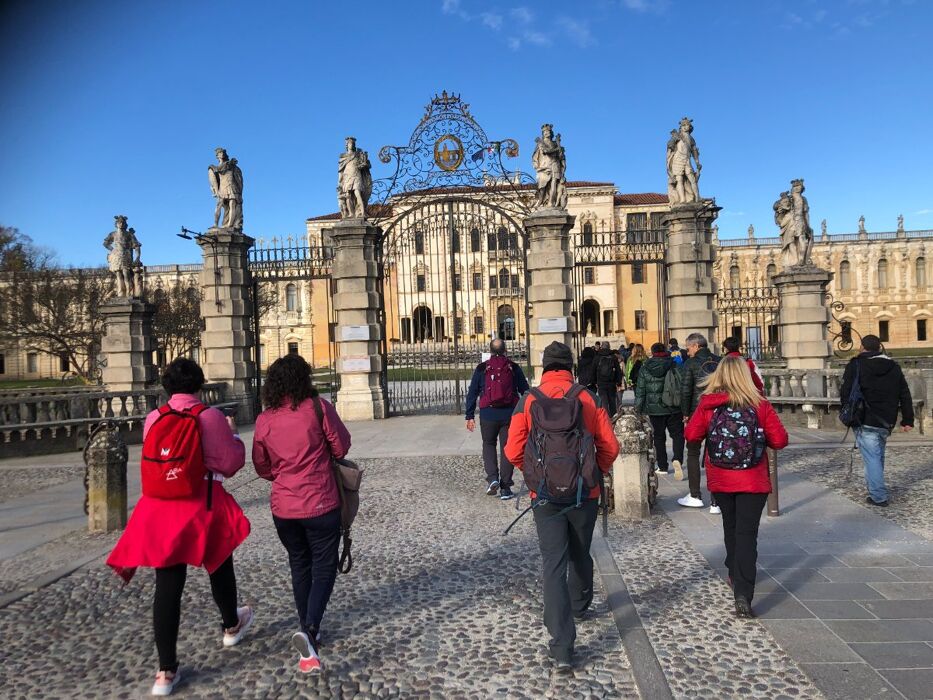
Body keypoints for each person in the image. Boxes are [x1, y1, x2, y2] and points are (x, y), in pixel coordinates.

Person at [107, 358, 252, 696]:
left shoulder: (154, 418)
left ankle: (165, 672)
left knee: (167, 586)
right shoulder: (209, 417)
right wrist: (232, 435)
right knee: (219, 565)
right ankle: (231, 625)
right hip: (201, 505)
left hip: (161, 510)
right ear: (199, 385)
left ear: (167, 387)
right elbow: (229, 464)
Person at [504, 341, 620, 671]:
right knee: (581, 550)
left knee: (553, 563)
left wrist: (536, 476)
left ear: (544, 366)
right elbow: (610, 445)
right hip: (585, 492)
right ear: (570, 367)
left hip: (544, 497)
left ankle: (561, 647)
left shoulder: (528, 400)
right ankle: (581, 603)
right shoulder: (587, 397)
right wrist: (596, 471)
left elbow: (512, 450)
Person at [252, 354, 352, 674]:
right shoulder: (318, 408)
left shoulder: (265, 419)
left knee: (299, 564)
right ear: (304, 379)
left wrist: (284, 477)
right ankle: (309, 629)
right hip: (320, 501)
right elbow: (342, 447)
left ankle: (308, 628)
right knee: (323, 566)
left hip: (284, 508)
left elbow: (261, 465)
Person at [685, 356, 788, 618]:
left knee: (730, 527)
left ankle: (733, 570)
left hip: (721, 478)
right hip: (753, 480)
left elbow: (691, 435)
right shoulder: (759, 404)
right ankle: (743, 593)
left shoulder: (708, 405)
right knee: (747, 534)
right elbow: (780, 440)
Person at [840, 335, 914, 507]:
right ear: (879, 347)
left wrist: (846, 410)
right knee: (877, 455)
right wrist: (907, 419)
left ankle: (878, 496)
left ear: (862, 347)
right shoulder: (894, 366)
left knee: (872, 457)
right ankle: (875, 488)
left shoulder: (856, 365)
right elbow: (905, 394)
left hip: (864, 418)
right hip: (886, 419)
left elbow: (845, 391)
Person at [465, 338, 530, 500]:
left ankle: (492, 478)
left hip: (488, 414)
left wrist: (469, 415)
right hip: (509, 414)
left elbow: (472, 392)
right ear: (506, 350)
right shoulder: (513, 368)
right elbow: (525, 391)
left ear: (490, 351)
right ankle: (506, 487)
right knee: (507, 448)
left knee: (488, 444)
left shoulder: (482, 368)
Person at [677, 332, 721, 512]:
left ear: (696, 346)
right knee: (715, 454)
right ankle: (716, 501)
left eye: (688, 348)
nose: (687, 352)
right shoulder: (720, 361)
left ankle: (695, 495)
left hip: (698, 412)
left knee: (693, 452)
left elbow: (686, 390)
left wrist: (685, 413)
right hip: (719, 411)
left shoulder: (691, 363)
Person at [635, 342, 685, 478]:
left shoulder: (645, 367)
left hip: (654, 409)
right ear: (665, 350)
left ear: (652, 352)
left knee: (658, 437)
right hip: (674, 407)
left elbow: (640, 390)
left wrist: (638, 409)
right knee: (678, 435)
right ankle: (677, 459)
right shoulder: (674, 364)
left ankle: (662, 465)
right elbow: (683, 384)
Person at [594, 342, 623, 417]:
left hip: (601, 382)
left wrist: (594, 381)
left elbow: (593, 370)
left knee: (603, 401)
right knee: (612, 401)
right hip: (611, 382)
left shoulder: (597, 357)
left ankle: (606, 417)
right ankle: (613, 417)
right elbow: (618, 370)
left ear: (601, 347)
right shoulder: (613, 357)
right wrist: (618, 382)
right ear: (609, 347)